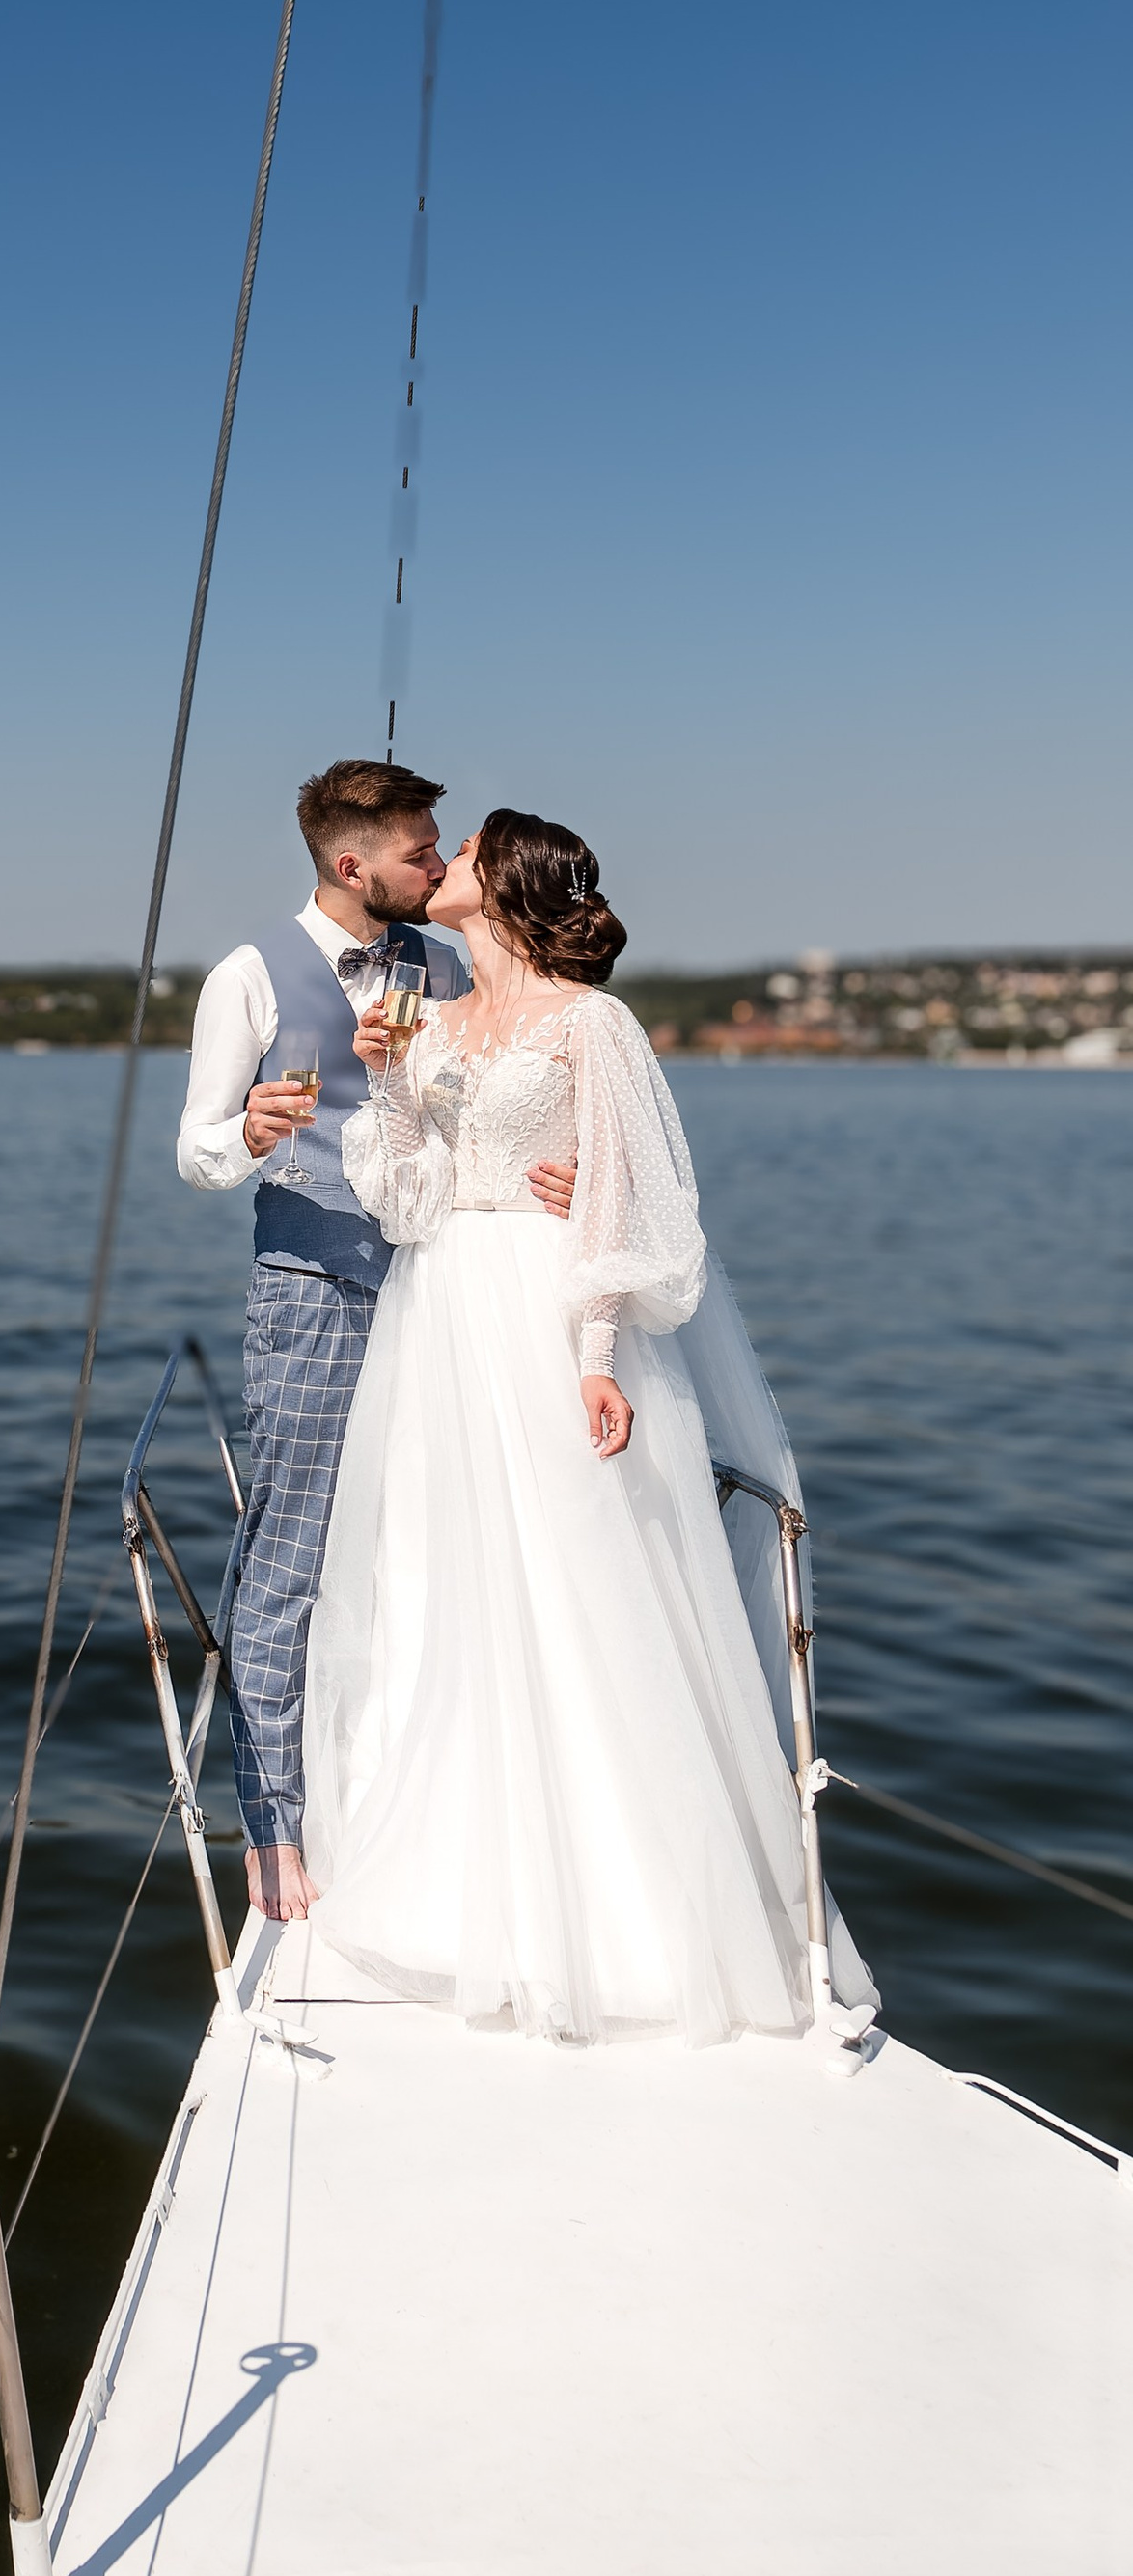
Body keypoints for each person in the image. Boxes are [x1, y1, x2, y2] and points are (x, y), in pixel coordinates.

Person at [307, 807, 876, 2043]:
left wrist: (600, 1352)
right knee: (444, 1579)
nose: (437, 866)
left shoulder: (591, 1022)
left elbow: (637, 1198)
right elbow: (403, 1197)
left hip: (548, 1313)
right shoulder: (432, 1018)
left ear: (499, 883)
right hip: (442, 1311)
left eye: (457, 856)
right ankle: (466, 1895)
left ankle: (631, 1916)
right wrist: (391, 1083)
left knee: (580, 1578)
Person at [178, 760, 576, 1925]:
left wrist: (552, 1174)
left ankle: (419, 1789)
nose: (438, 865)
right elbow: (195, 1155)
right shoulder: (248, 978)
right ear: (353, 864)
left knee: (430, 1539)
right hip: (313, 1289)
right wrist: (246, 1131)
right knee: (291, 1552)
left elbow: (486, 1109)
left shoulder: (443, 965)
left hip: (445, 1294)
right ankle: (273, 1823)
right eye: (421, 851)